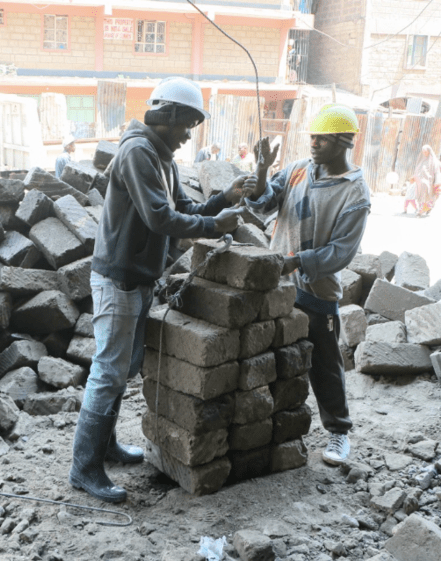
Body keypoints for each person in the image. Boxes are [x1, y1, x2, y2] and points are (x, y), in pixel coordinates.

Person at [69, 77, 246, 503]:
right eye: (186, 124)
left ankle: (106, 448)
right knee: (108, 372)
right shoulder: (137, 152)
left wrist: (222, 199)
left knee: (122, 370)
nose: (189, 135)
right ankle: (85, 469)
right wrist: (212, 226)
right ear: (165, 116)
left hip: (139, 278)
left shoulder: (161, 157)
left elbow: (183, 207)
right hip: (119, 278)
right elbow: (158, 218)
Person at [242, 103, 370, 467]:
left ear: (344, 142)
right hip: (278, 286)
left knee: (324, 363)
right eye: (312, 137)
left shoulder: (354, 193)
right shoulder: (299, 169)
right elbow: (265, 203)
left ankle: (339, 431)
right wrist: (264, 169)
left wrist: (296, 262)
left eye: (322, 139)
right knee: (274, 357)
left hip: (315, 291)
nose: (313, 144)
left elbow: (340, 253)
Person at [413, 145, 441, 217]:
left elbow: (437, 172)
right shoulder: (421, 160)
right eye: (423, 152)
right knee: (421, 196)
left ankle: (422, 210)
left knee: (429, 196)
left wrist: (437, 181)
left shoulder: (434, 161)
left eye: (426, 152)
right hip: (420, 183)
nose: (424, 153)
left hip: (430, 183)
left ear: (429, 151)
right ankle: (422, 209)